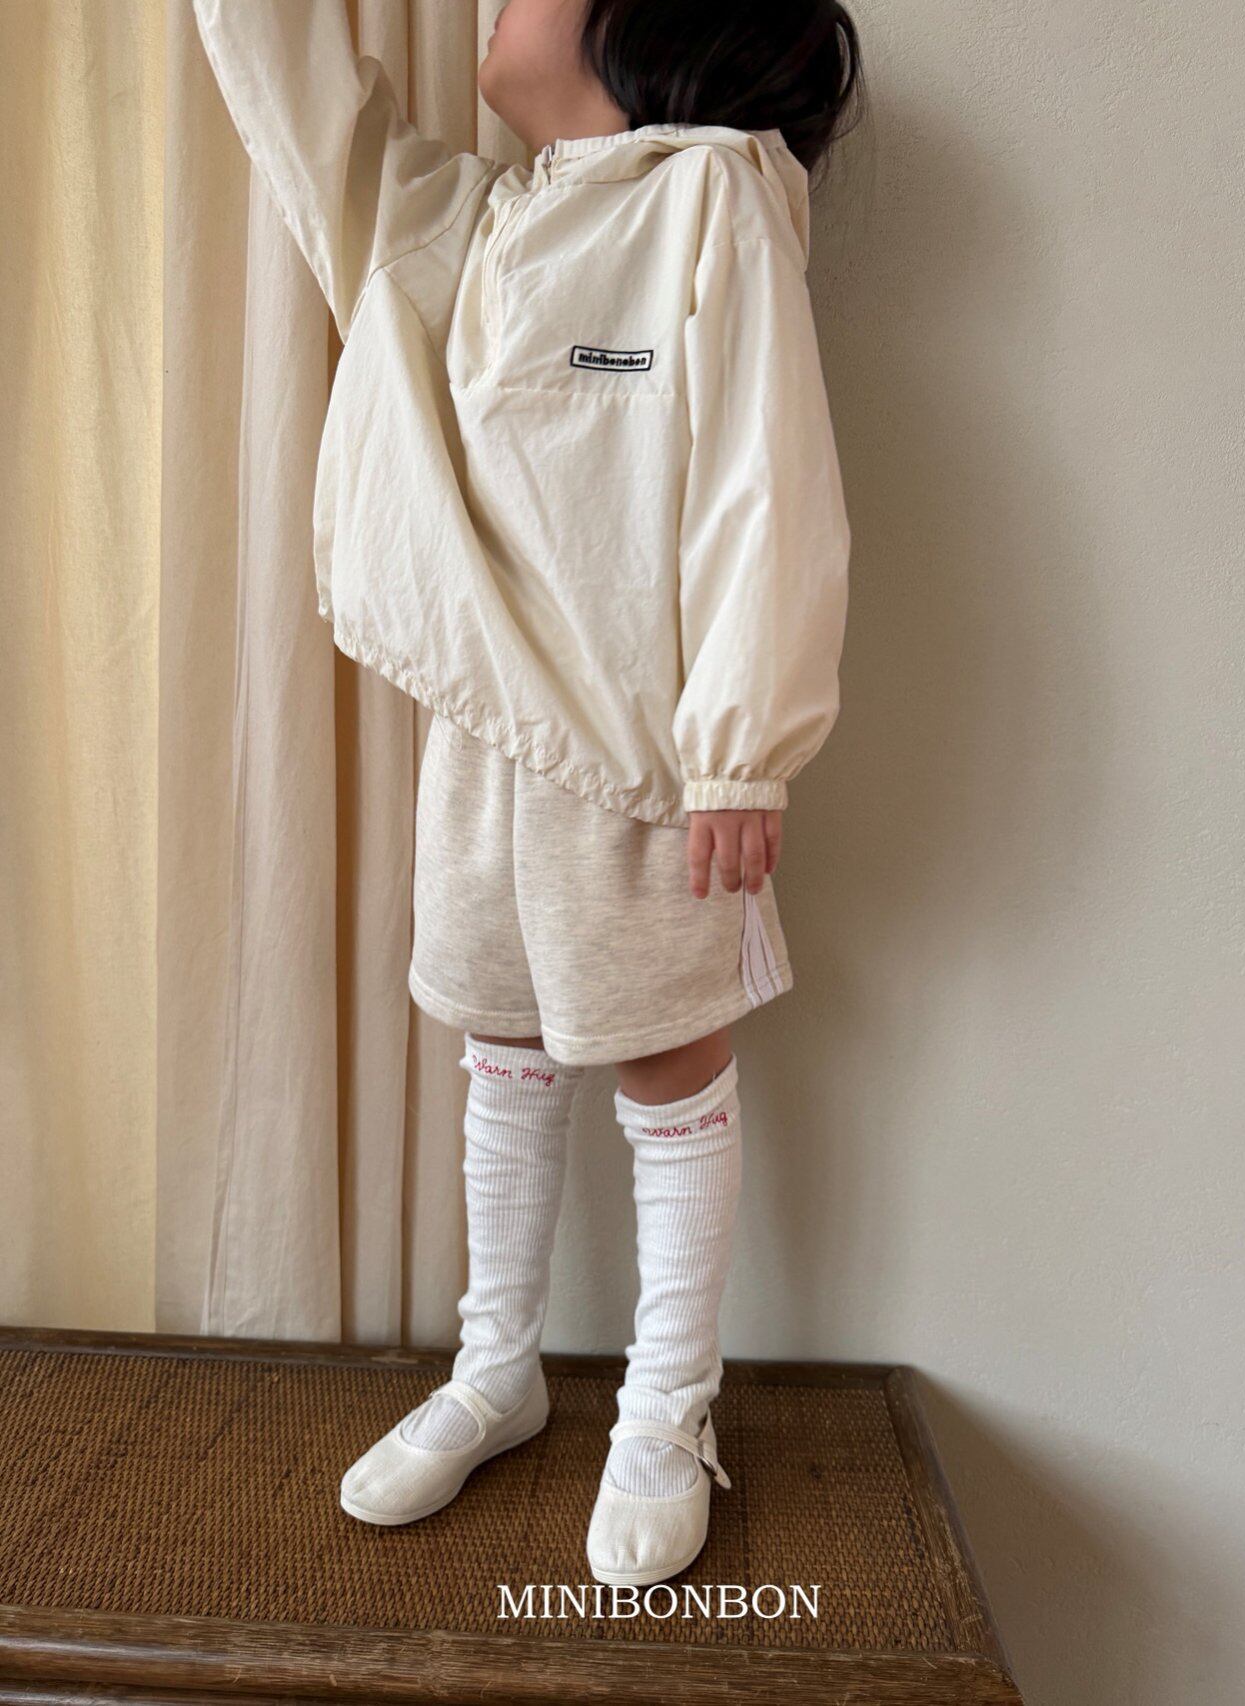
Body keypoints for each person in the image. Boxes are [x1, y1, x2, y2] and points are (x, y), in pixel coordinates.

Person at [191, 0, 863, 1588]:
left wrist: (744, 743)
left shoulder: (710, 197)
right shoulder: (464, 221)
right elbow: (303, 115)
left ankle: (668, 1407)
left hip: (648, 757)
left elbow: (766, 474)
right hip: (486, 730)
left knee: (664, 1059)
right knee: (499, 1042)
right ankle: (496, 1366)